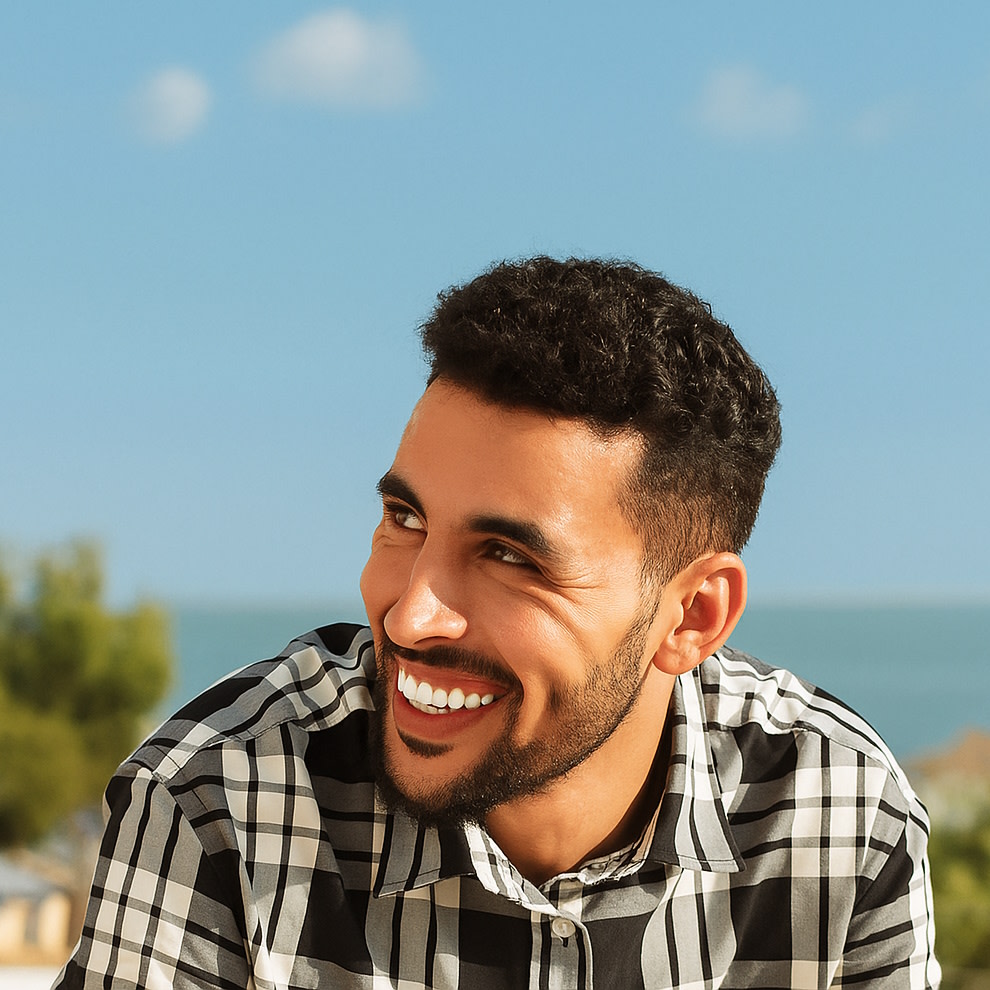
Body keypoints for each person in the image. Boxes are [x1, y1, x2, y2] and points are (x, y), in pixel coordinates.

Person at [54, 257, 939, 989]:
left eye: (511, 558)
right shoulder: (219, 798)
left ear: (692, 616)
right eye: (406, 519)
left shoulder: (841, 816)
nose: (409, 613)